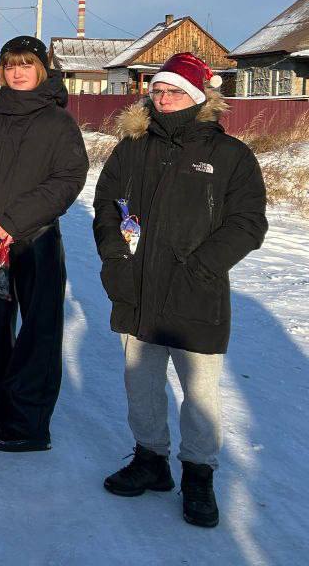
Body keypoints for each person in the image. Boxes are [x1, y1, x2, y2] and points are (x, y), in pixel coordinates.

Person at [93, 53, 266, 529]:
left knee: (201, 392)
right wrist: (113, 254)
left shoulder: (230, 156)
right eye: (158, 90)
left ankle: (198, 475)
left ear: (197, 97)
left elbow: (249, 223)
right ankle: (151, 462)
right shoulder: (132, 147)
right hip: (136, 286)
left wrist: (203, 268)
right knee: (141, 383)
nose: (162, 98)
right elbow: (107, 203)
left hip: (196, 292)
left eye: (173, 91)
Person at [0, 35, 88, 452]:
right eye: (10, 65)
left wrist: (14, 222)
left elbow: (67, 180)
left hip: (34, 239)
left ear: (41, 69)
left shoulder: (58, 122)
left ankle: (28, 421)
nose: (17, 72)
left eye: (26, 64)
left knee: (38, 331)